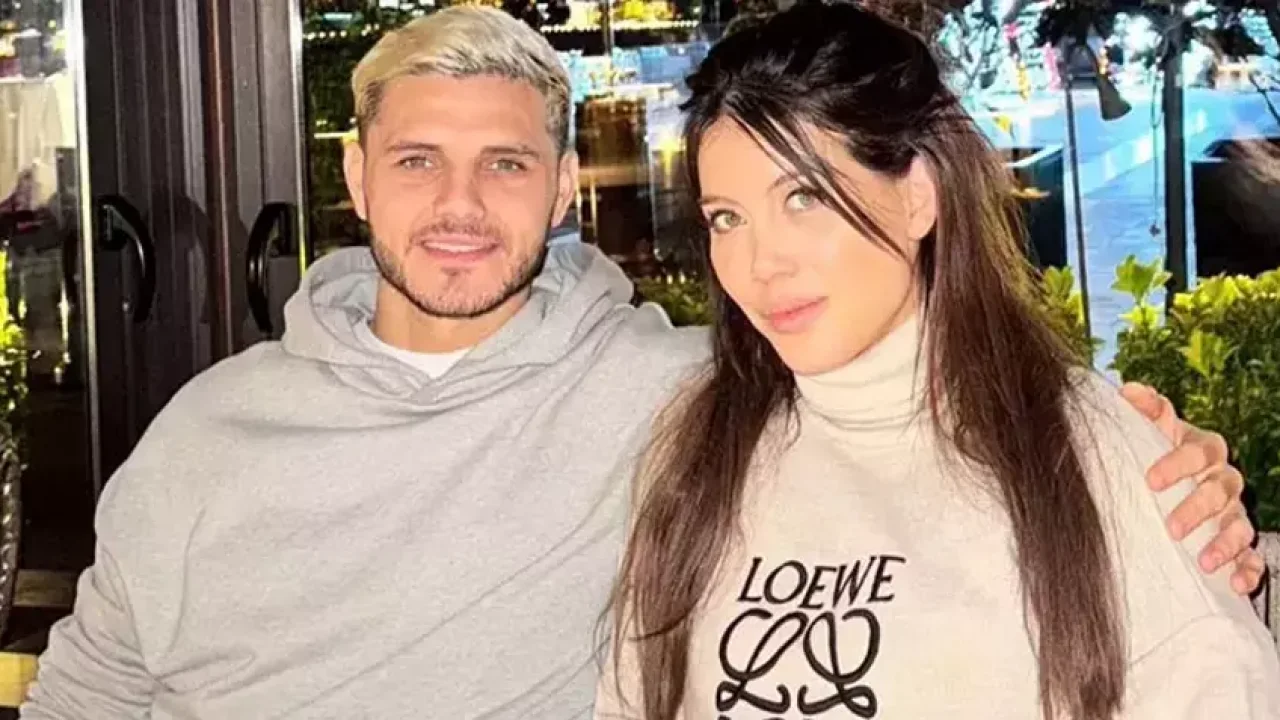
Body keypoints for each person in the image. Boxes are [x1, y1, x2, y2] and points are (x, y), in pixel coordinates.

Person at [21, 6, 1263, 719]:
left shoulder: (673, 401)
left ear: (565, 186)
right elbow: (92, 691)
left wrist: (1170, 477)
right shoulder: (206, 433)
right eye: (415, 161)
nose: (458, 206)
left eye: (506, 163)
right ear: (353, 177)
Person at [597, 5, 1279, 719]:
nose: (759, 263)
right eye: (726, 218)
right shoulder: (695, 448)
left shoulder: (1087, 454)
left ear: (918, 196)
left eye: (803, 197)